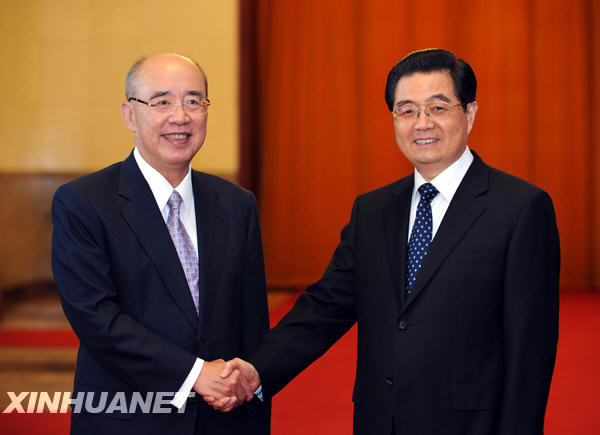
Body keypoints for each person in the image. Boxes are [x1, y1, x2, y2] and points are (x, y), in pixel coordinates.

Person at [215, 48, 560, 435]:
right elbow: (325, 307)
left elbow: (531, 350)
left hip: (470, 423)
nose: (422, 123)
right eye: (407, 110)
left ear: (470, 113)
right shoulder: (373, 211)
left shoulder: (520, 208)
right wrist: (258, 369)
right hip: (381, 420)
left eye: (438, 108)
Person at [51, 53, 270, 434]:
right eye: (162, 102)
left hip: (223, 419)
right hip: (127, 419)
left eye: (193, 101)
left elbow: (252, 326)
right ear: (129, 114)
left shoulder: (237, 204)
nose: (180, 117)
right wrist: (195, 374)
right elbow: (97, 319)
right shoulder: (84, 203)